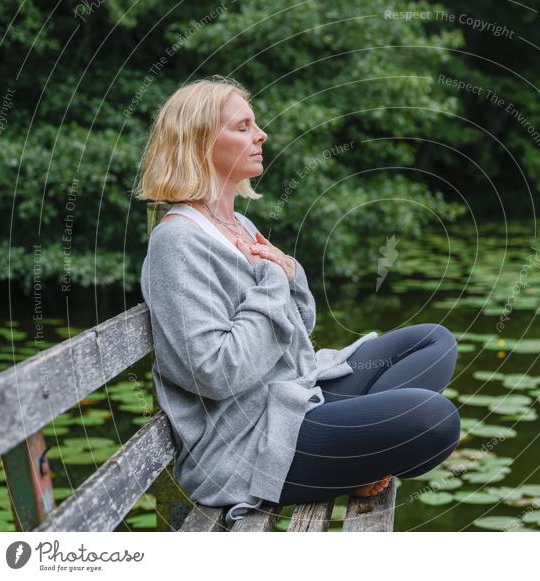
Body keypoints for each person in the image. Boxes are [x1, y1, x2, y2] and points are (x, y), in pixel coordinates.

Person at [135, 75, 461, 526]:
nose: (261, 134)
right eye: (243, 126)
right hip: (247, 442)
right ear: (199, 143)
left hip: (292, 396)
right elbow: (213, 371)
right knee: (433, 420)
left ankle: (353, 456)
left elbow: (299, 324)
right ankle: (353, 459)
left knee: (433, 343)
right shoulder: (178, 242)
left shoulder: (241, 227)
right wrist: (273, 278)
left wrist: (289, 273)